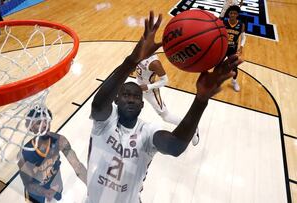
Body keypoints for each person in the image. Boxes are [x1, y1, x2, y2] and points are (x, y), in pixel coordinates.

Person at [87, 11, 242, 203]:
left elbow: (175, 146)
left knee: (166, 116)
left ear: (141, 105)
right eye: (125, 95)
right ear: (116, 100)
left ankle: (195, 131)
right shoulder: (103, 123)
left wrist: (201, 99)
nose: (131, 99)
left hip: (151, 90)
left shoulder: (147, 132)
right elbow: (99, 104)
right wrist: (132, 60)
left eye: (135, 97)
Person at [18, 105, 87, 203]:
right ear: (31, 128)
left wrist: (91, 184)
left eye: (47, 120)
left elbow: (78, 166)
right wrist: (45, 192)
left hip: (55, 185)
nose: (45, 125)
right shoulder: (25, 153)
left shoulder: (60, 141)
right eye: (39, 123)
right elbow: (28, 184)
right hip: (36, 194)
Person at [135, 54, 199, 146]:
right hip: (137, 87)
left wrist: (148, 87)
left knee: (166, 116)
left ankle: (192, 129)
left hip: (150, 92)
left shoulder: (154, 62)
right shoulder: (141, 51)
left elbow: (165, 80)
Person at [223, 5, 246, 92]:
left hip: (233, 49)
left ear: (237, 15)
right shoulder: (223, 23)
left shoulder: (241, 25)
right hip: (222, 48)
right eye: (231, 13)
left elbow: (243, 37)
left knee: (234, 67)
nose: (232, 15)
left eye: (235, 13)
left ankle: (234, 81)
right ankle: (215, 81)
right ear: (228, 14)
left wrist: (241, 46)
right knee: (217, 65)